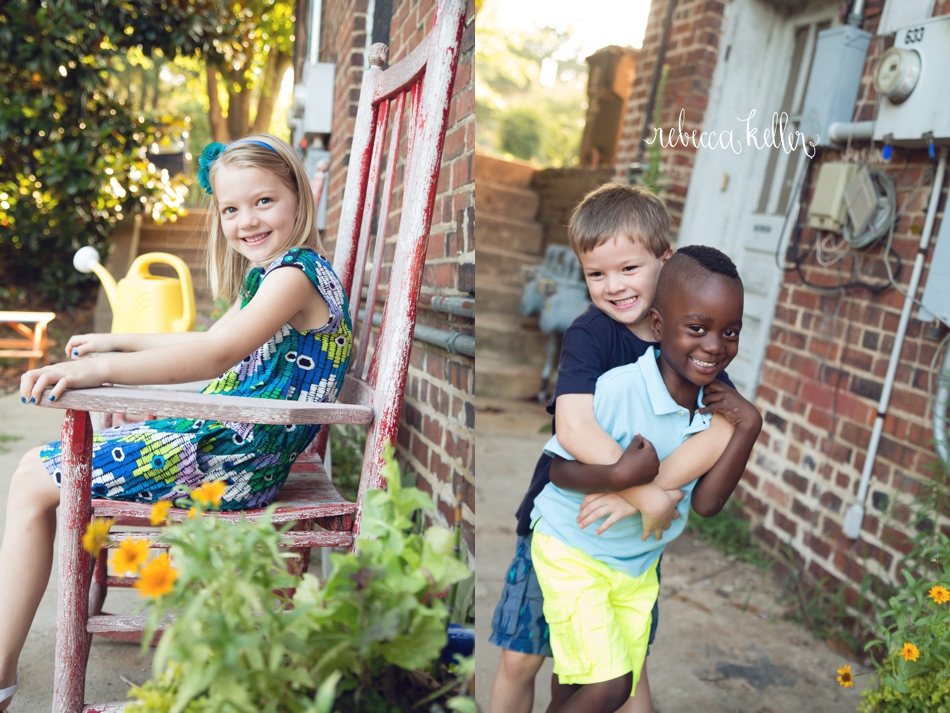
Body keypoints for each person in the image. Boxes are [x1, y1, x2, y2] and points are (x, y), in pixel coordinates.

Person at [0, 134, 352, 711]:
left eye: (264, 202)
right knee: (35, 474)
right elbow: (214, 340)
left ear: (299, 196)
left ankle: (0, 673)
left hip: (231, 458)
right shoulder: (276, 274)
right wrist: (119, 338)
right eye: (232, 209)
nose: (247, 221)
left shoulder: (297, 275)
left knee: (34, 478)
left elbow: (214, 359)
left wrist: (105, 371)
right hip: (226, 441)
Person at [488, 184, 759, 713]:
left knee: (618, 673)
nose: (614, 287)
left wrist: (646, 497)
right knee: (521, 658)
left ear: (666, 261)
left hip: (631, 546)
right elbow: (575, 429)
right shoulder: (592, 335)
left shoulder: (695, 341)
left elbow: (710, 439)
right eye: (596, 274)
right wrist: (641, 493)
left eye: (629, 269)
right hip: (572, 515)